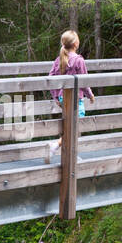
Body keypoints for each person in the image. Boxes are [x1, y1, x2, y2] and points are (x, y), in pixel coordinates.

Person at [47, 29, 95, 159]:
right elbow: (84, 81)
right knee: (75, 127)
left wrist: (56, 96)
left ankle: (70, 154)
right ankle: (57, 145)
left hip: (64, 98)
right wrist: (90, 95)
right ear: (75, 43)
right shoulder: (79, 60)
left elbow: (51, 78)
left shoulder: (59, 60)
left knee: (71, 126)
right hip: (76, 99)